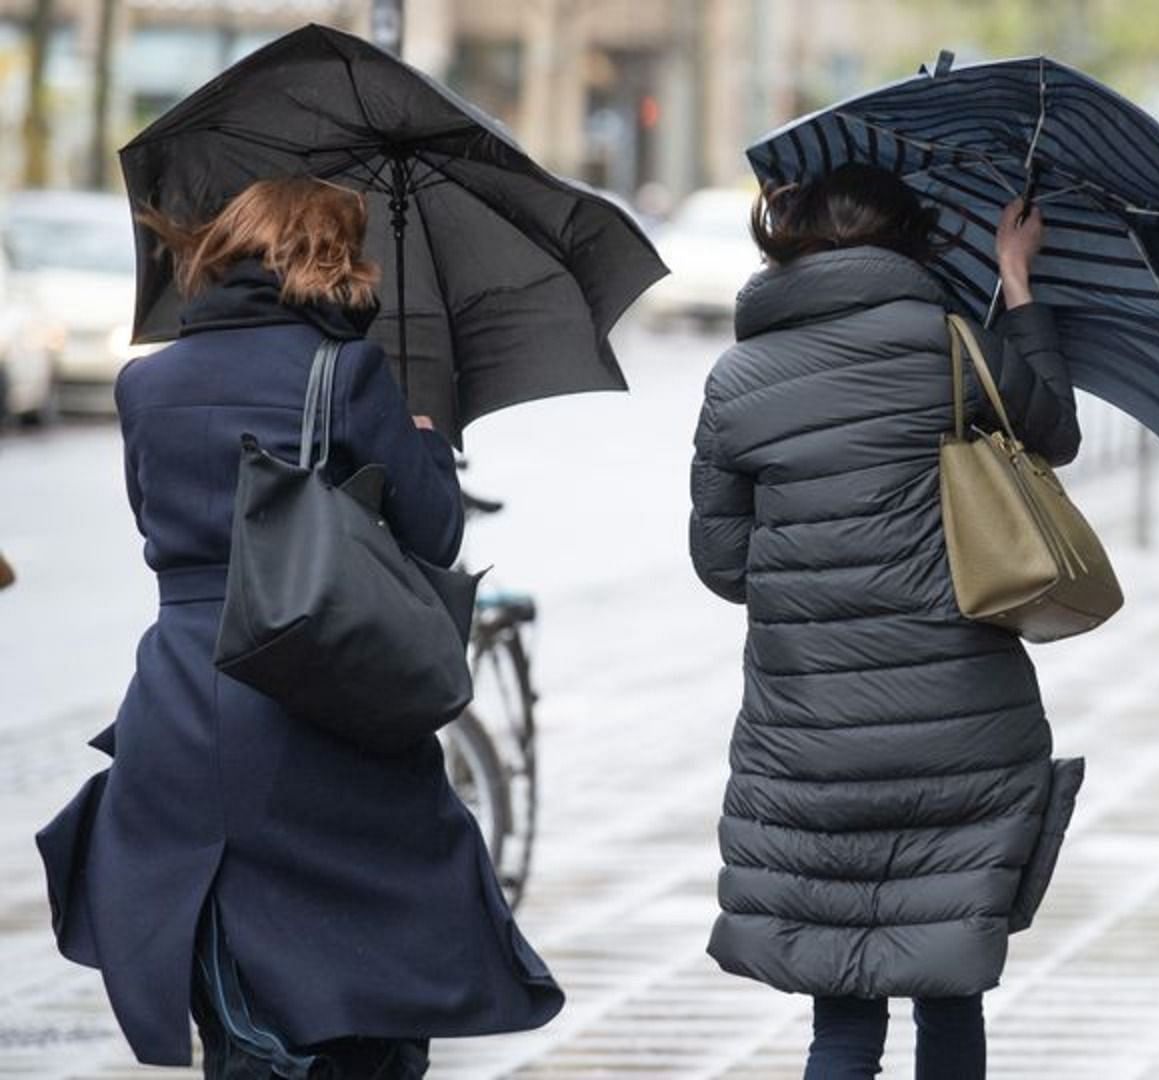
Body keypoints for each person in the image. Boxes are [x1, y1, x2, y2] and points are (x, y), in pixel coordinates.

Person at [36, 177, 562, 1078]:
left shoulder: (145, 384)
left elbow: (153, 522)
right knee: (371, 941)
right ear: (328, 257)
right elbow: (434, 531)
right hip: (311, 688)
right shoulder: (348, 371)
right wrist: (424, 436)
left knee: (229, 950)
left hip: (177, 700)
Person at [688, 163, 1084, 1080]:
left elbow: (722, 565)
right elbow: (1054, 432)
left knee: (842, 1019)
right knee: (949, 992)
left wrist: (820, 583)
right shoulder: (950, 342)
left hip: (810, 737)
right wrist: (1015, 282)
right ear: (914, 243)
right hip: (961, 727)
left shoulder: (738, 376)